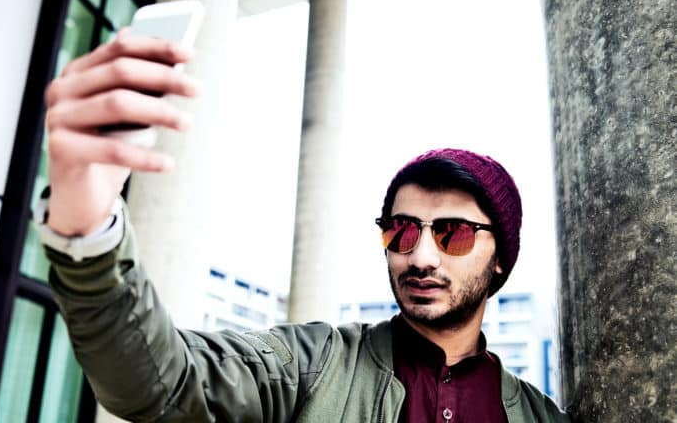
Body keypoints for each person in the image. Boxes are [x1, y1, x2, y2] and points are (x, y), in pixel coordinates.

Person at [37, 30, 569, 422]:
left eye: (451, 232)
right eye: (403, 231)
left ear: (500, 257)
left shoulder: (542, 418)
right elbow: (164, 380)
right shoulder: (311, 367)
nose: (421, 255)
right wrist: (89, 227)